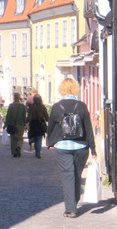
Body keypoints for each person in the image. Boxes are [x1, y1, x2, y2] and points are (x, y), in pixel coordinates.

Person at [46, 77, 97, 218]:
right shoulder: (81, 106)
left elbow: (50, 127)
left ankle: (71, 208)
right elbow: (88, 128)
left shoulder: (56, 107)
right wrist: (93, 149)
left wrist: (50, 143)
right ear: (75, 89)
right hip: (81, 146)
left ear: (61, 89)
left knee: (67, 175)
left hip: (62, 146)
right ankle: (73, 202)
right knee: (76, 175)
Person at [26, 94, 49, 158]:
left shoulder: (31, 107)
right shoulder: (43, 107)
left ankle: (32, 142)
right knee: (39, 139)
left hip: (33, 124)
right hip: (40, 124)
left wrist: (27, 123)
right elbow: (46, 117)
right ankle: (38, 153)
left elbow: (29, 117)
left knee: (33, 136)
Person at [5, 92, 27, 157]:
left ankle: (14, 152)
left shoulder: (11, 105)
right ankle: (19, 146)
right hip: (20, 124)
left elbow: (8, 116)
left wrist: (6, 124)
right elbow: (24, 116)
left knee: (13, 138)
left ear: (14, 98)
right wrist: (24, 124)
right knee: (20, 137)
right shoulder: (22, 106)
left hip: (12, 124)